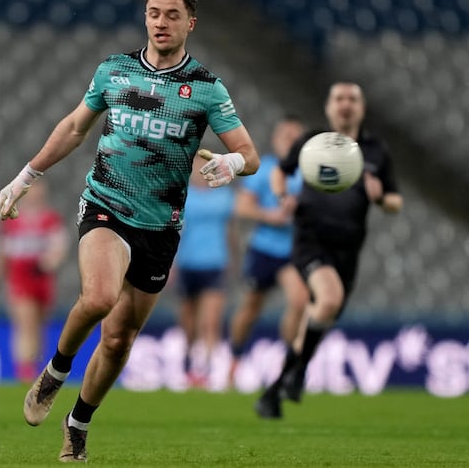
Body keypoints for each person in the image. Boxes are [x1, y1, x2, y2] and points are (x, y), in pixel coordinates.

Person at [0, 0, 260, 462]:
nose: (161, 22)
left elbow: (250, 154)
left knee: (119, 341)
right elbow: (74, 127)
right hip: (106, 204)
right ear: (145, 17)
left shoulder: (206, 88)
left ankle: (78, 423)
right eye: (154, 13)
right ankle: (55, 372)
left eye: (172, 15)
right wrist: (26, 175)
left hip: (160, 227)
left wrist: (233, 163)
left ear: (190, 24)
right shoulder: (114, 71)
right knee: (99, 297)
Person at [255, 82, 403, 419]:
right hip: (311, 240)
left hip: (348, 250)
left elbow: (396, 201)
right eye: (339, 98)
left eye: (353, 98)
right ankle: (294, 375)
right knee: (330, 299)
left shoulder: (376, 151)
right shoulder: (313, 142)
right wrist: (282, 197)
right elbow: (280, 172)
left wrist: (381, 197)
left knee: (319, 317)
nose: (346, 104)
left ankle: (275, 391)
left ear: (362, 107)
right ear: (328, 107)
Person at [227, 117, 309, 385]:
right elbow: (242, 207)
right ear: (275, 139)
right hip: (264, 249)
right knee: (250, 308)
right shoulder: (265, 171)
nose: (289, 140)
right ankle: (234, 360)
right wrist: (270, 216)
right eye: (285, 135)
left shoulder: (311, 175)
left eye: (294, 136)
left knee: (299, 301)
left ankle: (288, 366)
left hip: (294, 251)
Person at [0, 181, 70, 383]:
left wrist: (47, 264)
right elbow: (1, 251)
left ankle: (34, 369)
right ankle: (25, 373)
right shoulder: (11, 220)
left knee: (39, 326)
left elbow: (59, 248)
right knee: (26, 324)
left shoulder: (51, 220)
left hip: (42, 281)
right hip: (20, 280)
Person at [172, 156, 237, 389]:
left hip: (214, 263)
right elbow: (174, 233)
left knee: (210, 321)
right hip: (187, 263)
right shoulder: (183, 196)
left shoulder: (225, 197)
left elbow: (230, 232)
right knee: (188, 323)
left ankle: (208, 370)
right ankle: (189, 364)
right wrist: (171, 265)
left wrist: (233, 258)